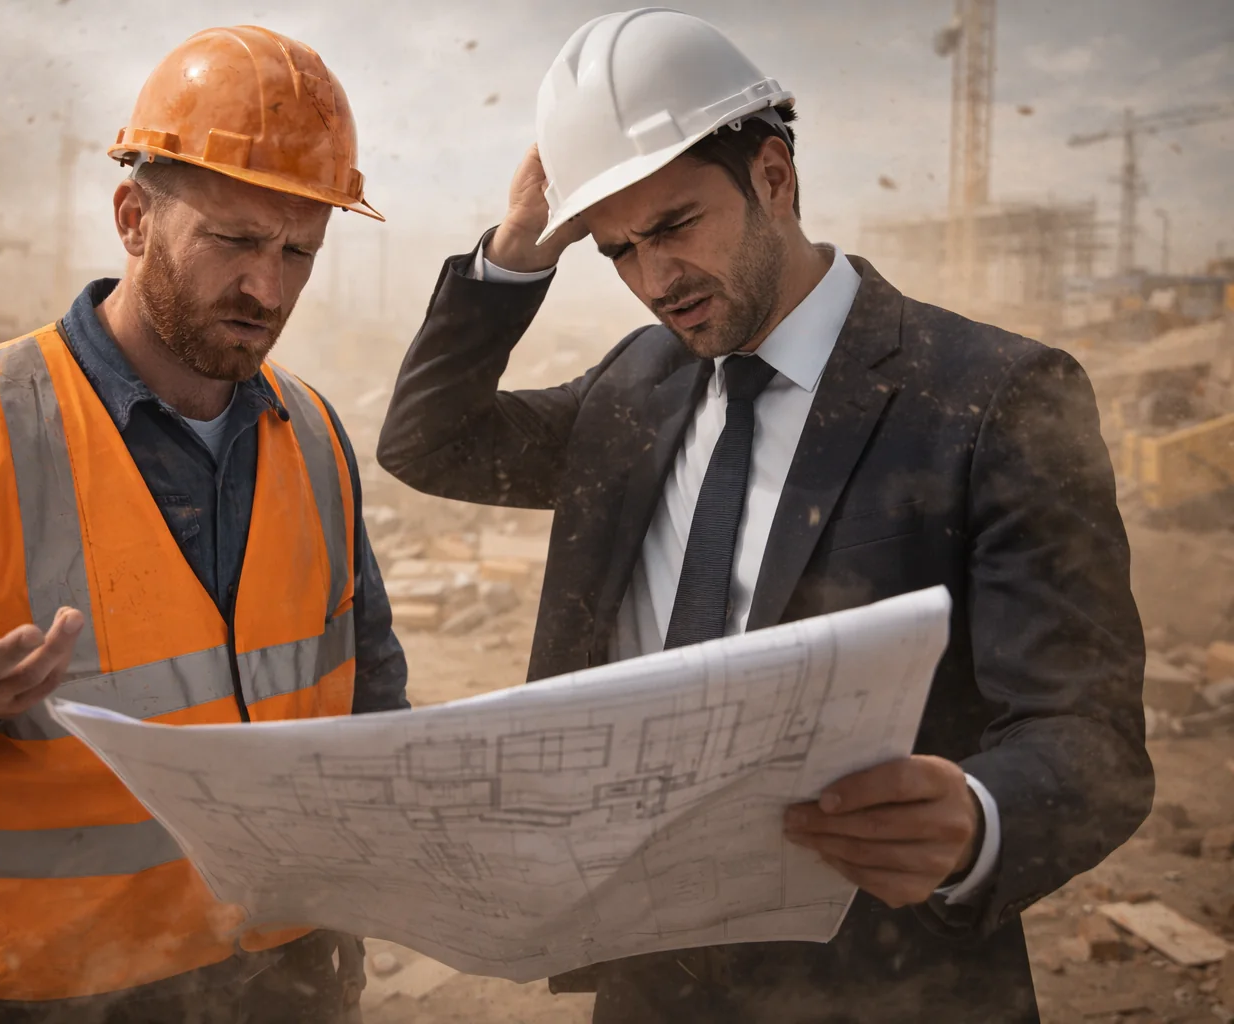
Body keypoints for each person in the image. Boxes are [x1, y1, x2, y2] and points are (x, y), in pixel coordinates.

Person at [377, 10, 1150, 1023]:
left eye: (674, 227)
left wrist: (977, 816)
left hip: (884, 985)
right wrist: (517, 251)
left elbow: (1088, 730)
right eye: (616, 250)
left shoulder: (993, 397)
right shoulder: (634, 387)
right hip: (648, 972)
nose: (654, 282)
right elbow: (429, 441)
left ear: (774, 178)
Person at [0, 25, 405, 1024]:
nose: (270, 287)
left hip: (288, 984)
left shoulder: (313, 434)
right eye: (236, 240)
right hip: (44, 998)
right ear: (134, 216)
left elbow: (370, 691)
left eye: (301, 250)